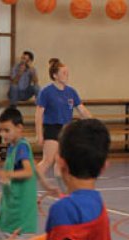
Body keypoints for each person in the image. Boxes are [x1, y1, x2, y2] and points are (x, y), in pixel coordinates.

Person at [36, 58, 92, 193]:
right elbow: (39, 114)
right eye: (63, 72)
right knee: (48, 161)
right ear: (55, 75)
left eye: (67, 72)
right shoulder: (46, 92)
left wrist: (93, 122)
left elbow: (82, 109)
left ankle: (63, 192)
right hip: (52, 128)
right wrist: (39, 134)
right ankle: (27, 186)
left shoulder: (71, 92)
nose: (66, 75)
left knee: (61, 163)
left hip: (67, 130)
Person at [0, 107, 38, 238]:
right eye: (1, 131)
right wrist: (46, 185)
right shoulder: (13, 146)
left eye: (6, 130)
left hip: (19, 209)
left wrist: (8, 174)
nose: (2, 134)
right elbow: (35, 166)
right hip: (11, 204)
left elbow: (28, 171)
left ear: (19, 127)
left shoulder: (21, 147)